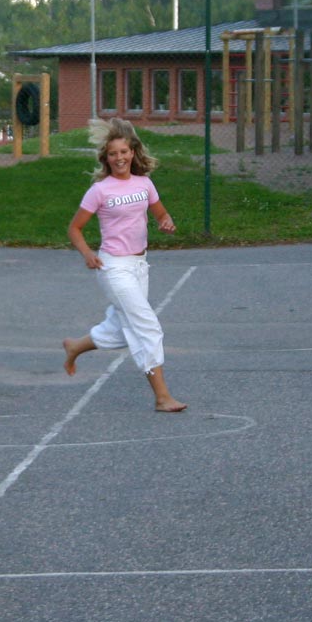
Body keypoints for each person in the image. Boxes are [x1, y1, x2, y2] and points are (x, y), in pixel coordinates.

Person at [61, 118, 187, 412]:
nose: (119, 158)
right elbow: (74, 229)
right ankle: (162, 397)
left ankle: (76, 346)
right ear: (106, 157)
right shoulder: (100, 190)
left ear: (133, 153)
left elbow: (161, 215)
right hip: (113, 267)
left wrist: (166, 224)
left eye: (124, 152)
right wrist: (87, 254)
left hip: (139, 266)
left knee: (122, 328)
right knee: (147, 326)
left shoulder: (144, 184)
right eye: (113, 153)